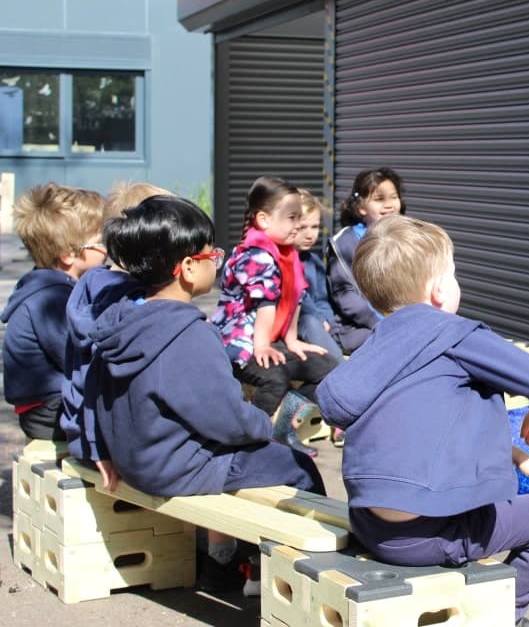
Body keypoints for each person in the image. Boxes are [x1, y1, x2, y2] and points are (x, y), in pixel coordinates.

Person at [317, 215, 529, 627]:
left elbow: (342, 404)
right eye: (453, 274)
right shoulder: (456, 335)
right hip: (431, 533)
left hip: (370, 527)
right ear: (438, 289)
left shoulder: (375, 347)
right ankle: (506, 618)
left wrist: (517, 456)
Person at [87, 194, 324, 592]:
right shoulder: (188, 334)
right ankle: (279, 576)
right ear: (187, 267)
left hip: (133, 458)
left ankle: (224, 559)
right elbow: (227, 421)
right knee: (295, 466)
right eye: (212, 254)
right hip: (178, 466)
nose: (217, 260)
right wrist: (264, 425)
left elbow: (95, 392)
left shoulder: (121, 319)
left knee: (259, 460)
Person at [210, 176, 340, 457]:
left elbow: (295, 297)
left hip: (268, 340)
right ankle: (249, 440)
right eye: (292, 218)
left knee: (328, 367)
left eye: (300, 218)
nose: (298, 225)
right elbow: (265, 303)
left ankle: (283, 426)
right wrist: (261, 346)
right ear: (264, 219)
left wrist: (292, 340)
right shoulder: (256, 256)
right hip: (240, 343)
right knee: (275, 378)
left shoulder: (288, 255)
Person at [61, 182, 172, 482]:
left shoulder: (90, 281)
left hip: (82, 433)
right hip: (108, 445)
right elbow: (94, 377)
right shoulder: (131, 302)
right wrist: (100, 447)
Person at [2, 182, 105, 440]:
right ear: (68, 254)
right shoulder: (53, 299)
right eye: (99, 242)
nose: (106, 249)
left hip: (50, 403)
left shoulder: (50, 285)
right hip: (48, 410)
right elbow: (82, 357)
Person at [325, 167, 404, 354]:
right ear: (361, 207)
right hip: (356, 327)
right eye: (379, 199)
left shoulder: (406, 237)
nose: (389, 205)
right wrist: (383, 323)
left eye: (394, 197)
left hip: (398, 320)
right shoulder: (344, 243)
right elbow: (346, 296)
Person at [294, 189, 343, 362]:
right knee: (310, 323)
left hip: (318, 323)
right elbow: (301, 298)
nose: (309, 234)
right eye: (302, 228)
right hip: (297, 323)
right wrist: (320, 319)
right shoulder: (282, 261)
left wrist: (327, 320)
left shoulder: (314, 262)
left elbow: (322, 299)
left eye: (314, 227)